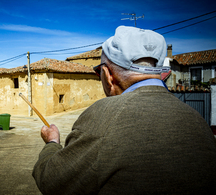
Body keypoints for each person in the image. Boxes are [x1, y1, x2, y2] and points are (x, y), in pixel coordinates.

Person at [32, 26, 216, 194]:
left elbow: (53, 182)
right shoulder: (197, 119)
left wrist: (52, 143)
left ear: (108, 75)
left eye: (99, 72)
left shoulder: (104, 115)